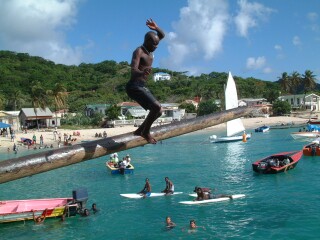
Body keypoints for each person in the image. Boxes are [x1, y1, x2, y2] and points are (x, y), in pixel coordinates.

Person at [126, 18, 165, 144]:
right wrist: (142, 72)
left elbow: (162, 35)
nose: (157, 46)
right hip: (134, 86)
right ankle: (146, 132)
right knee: (156, 106)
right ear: (148, 42)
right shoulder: (139, 51)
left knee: (158, 111)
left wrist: (156, 27)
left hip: (141, 85)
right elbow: (133, 69)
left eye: (157, 44)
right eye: (154, 44)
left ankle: (140, 130)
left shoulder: (151, 49)